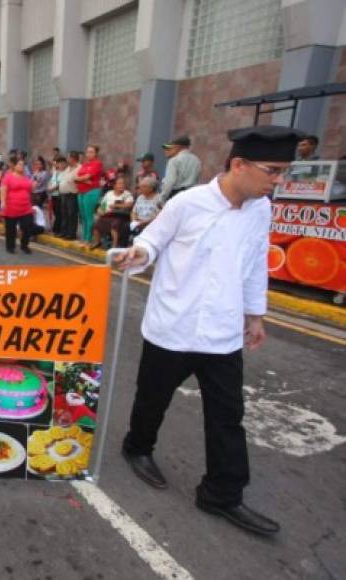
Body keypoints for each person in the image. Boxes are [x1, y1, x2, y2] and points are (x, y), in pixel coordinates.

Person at [113, 125, 304, 537]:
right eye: (272, 171)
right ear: (239, 164)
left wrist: (255, 315)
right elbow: (152, 242)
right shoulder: (189, 203)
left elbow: (255, 263)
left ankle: (221, 493)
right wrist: (137, 253)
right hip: (173, 327)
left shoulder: (260, 210)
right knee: (152, 398)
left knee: (228, 416)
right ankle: (137, 448)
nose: (278, 181)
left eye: (283, 172)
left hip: (221, 332)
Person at [0, 157, 35, 255]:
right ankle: (10, 246)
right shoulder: (8, 177)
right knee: (11, 229)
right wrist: (3, 202)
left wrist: (33, 186)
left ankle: (24, 245)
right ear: (14, 166)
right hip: (11, 207)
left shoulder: (26, 178)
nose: (22, 166)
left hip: (26, 207)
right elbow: (3, 189)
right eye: (19, 164)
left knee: (28, 226)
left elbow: (29, 191)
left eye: (23, 165)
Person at [88, 175, 133, 249]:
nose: (122, 185)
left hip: (120, 216)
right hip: (108, 214)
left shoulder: (127, 194)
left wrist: (117, 205)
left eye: (123, 183)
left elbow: (129, 205)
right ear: (114, 185)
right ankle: (97, 242)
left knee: (114, 226)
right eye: (119, 183)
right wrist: (100, 211)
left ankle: (114, 246)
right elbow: (103, 205)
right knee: (96, 224)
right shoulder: (109, 193)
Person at [75, 145, 104, 243]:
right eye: (87, 152)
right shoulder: (85, 164)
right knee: (83, 216)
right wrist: (82, 179)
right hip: (81, 192)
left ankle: (88, 238)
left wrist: (81, 179)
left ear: (96, 153)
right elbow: (76, 177)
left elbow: (85, 177)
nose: (89, 154)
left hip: (91, 192)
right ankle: (84, 237)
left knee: (88, 216)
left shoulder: (97, 163)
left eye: (91, 152)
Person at [160, 135, 201, 201]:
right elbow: (197, 179)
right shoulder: (197, 160)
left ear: (178, 147)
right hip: (191, 194)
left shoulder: (174, 160)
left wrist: (162, 198)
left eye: (173, 147)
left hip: (176, 194)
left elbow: (170, 181)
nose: (166, 151)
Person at [58, 151, 81, 239]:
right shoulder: (68, 168)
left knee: (72, 214)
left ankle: (71, 233)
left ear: (73, 159)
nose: (67, 159)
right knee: (64, 214)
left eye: (68, 158)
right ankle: (64, 231)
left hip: (72, 194)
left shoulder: (79, 168)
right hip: (64, 194)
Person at [47, 157, 65, 234]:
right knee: (55, 213)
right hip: (53, 195)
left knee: (59, 213)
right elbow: (51, 181)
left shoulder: (64, 173)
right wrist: (49, 187)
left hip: (59, 195)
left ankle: (57, 230)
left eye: (61, 163)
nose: (60, 165)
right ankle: (56, 229)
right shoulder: (55, 172)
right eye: (58, 163)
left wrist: (52, 188)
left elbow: (59, 184)